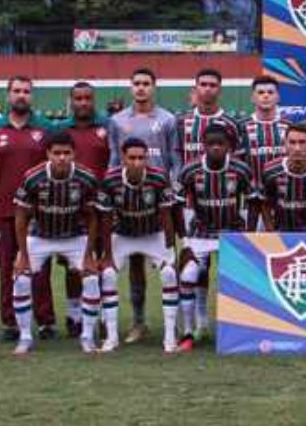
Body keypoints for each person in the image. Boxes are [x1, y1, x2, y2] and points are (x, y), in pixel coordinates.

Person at [0, 76, 55, 342]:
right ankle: (10, 323)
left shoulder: (45, 128)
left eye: (26, 91)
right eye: (16, 91)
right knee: (7, 268)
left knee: (41, 269)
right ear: (8, 95)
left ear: (31, 96)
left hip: (40, 214)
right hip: (4, 212)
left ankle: (45, 321)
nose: (21, 95)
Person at [10, 132, 101, 356]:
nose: (61, 158)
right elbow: (20, 217)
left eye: (66, 153)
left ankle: (87, 337)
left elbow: (92, 218)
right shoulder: (33, 177)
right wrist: (23, 254)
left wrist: (89, 254)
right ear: (48, 154)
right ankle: (25, 337)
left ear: (74, 154)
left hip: (74, 236)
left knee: (91, 279)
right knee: (21, 279)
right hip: (40, 236)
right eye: (57, 153)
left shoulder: (86, 177)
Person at [107, 67, 180, 344]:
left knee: (168, 266)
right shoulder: (117, 121)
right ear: (130, 87)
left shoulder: (167, 120)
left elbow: (174, 158)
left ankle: (174, 325)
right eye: (136, 83)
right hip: (128, 203)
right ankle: (139, 322)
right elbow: (115, 160)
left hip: (160, 202)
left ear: (154, 87)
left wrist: (172, 190)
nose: (141, 88)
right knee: (135, 264)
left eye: (146, 83)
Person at [178, 126, 258, 350]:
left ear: (228, 147)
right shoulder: (190, 169)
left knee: (237, 278)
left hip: (232, 232)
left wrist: (249, 235)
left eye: (220, 144)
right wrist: (184, 240)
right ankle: (190, 331)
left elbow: (254, 202)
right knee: (190, 273)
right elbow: (175, 204)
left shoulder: (240, 169)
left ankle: (238, 329)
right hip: (200, 233)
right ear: (203, 145)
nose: (215, 147)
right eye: (211, 143)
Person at [97, 138, 178, 354]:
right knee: (108, 275)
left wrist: (171, 249)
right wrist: (107, 254)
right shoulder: (111, 179)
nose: (136, 162)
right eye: (131, 158)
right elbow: (105, 219)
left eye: (141, 158)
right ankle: (111, 338)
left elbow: (167, 215)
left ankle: (170, 338)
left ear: (147, 158)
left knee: (169, 273)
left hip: (153, 233)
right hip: (123, 235)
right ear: (123, 158)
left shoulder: (159, 177)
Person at [57, 81, 111, 337]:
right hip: (69, 208)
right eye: (77, 98)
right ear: (71, 101)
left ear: (93, 100)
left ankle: (97, 313)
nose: (83, 103)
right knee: (72, 265)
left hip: (101, 208)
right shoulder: (61, 130)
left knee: (98, 263)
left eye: (87, 98)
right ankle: (74, 314)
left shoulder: (106, 128)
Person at [260, 124, 306, 231]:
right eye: (292, 142)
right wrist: (271, 233)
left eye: (302, 142)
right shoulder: (271, 171)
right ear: (284, 144)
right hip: (281, 229)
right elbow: (265, 205)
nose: (297, 148)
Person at [177, 67, 240, 169]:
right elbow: (176, 154)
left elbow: (237, 156)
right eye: (203, 84)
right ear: (195, 88)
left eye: (213, 85)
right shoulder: (181, 122)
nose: (207, 88)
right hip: (188, 182)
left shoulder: (231, 123)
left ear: (220, 90)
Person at [238, 75, 290, 185]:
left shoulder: (289, 127)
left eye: (270, 92)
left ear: (278, 97)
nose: (266, 96)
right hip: (252, 195)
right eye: (261, 92)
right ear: (252, 98)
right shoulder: (241, 127)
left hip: (282, 194)